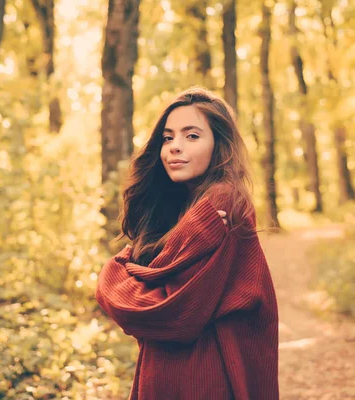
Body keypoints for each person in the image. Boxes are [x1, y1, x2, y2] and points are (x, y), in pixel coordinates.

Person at [95, 87, 279, 399]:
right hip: (176, 371)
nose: (175, 148)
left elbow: (169, 311)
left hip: (203, 377)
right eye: (168, 138)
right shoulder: (184, 206)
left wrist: (113, 273)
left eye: (192, 136)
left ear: (218, 145)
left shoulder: (220, 201)